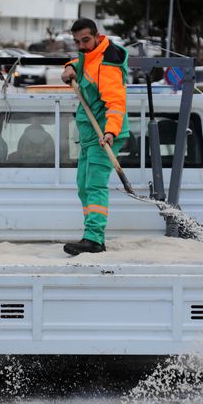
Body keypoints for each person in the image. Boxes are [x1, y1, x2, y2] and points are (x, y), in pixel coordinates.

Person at [61, 18, 130, 255]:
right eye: (77, 42)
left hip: (106, 133)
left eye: (86, 40)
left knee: (94, 184)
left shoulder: (108, 64)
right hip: (90, 134)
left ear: (97, 36)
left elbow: (116, 103)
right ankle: (90, 234)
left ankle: (94, 239)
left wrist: (111, 131)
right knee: (83, 185)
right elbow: (83, 62)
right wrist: (70, 66)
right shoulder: (90, 55)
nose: (82, 46)